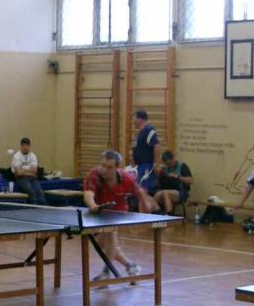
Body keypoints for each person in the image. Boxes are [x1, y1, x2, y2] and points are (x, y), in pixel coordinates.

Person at [83, 150, 156, 280]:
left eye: (109, 167)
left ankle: (106, 272)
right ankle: (130, 265)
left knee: (110, 235)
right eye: (103, 165)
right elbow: (88, 194)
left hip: (118, 212)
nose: (104, 170)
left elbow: (139, 191)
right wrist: (93, 206)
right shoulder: (94, 175)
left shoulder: (126, 179)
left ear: (117, 168)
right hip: (100, 212)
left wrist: (145, 205)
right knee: (102, 243)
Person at [153, 150, 194, 215]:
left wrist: (178, 177)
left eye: (169, 163)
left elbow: (191, 181)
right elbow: (157, 183)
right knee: (158, 194)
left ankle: (169, 215)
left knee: (165, 193)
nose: (169, 165)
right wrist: (159, 174)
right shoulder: (165, 168)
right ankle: (152, 213)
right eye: (167, 164)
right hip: (167, 189)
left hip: (181, 191)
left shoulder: (182, 166)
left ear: (173, 159)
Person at [131, 110, 162, 191]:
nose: (133, 121)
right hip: (141, 167)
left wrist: (156, 164)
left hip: (147, 166)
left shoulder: (148, 130)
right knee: (140, 190)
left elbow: (157, 145)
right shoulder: (141, 133)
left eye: (134, 119)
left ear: (140, 119)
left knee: (144, 191)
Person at [11, 137, 46, 205]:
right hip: (21, 178)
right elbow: (19, 173)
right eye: (23, 145)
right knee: (31, 192)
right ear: (21, 146)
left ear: (29, 146)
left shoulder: (32, 155)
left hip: (32, 178)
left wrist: (23, 168)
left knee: (39, 192)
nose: (25, 147)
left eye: (27, 145)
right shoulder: (16, 156)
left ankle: (44, 206)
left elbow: (35, 170)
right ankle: (33, 207)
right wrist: (30, 172)